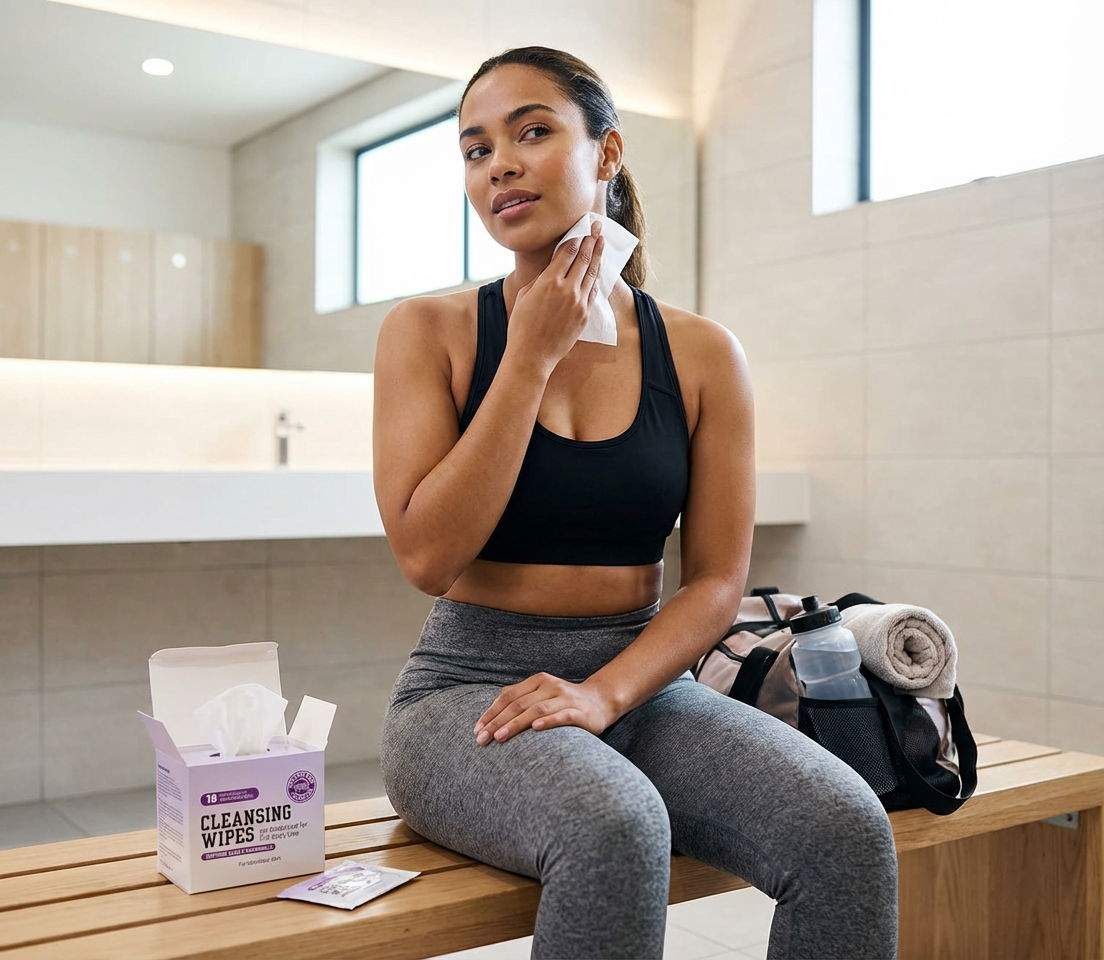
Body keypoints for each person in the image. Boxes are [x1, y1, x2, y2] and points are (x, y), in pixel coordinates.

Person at [374, 46, 898, 960]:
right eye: (474, 148)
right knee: (613, 827)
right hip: (465, 693)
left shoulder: (700, 354)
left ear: (607, 155)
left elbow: (715, 583)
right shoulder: (431, 332)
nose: (498, 162)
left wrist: (603, 694)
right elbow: (427, 558)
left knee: (845, 827)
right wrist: (529, 357)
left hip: (639, 680)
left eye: (532, 131)